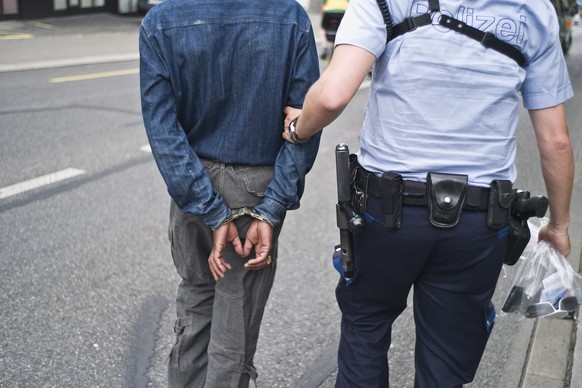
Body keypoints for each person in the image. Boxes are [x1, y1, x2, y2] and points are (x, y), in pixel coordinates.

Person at [283, 0, 574, 386]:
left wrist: (297, 129)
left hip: (385, 212)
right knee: (445, 362)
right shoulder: (534, 10)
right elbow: (555, 141)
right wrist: (559, 223)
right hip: (479, 218)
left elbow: (333, 95)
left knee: (366, 326)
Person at [139, 0, 321, 386]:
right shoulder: (291, 18)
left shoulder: (161, 21)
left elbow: (163, 130)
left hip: (193, 182)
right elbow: (304, 124)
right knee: (234, 325)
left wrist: (206, 206)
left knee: (195, 303)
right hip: (255, 190)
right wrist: (270, 209)